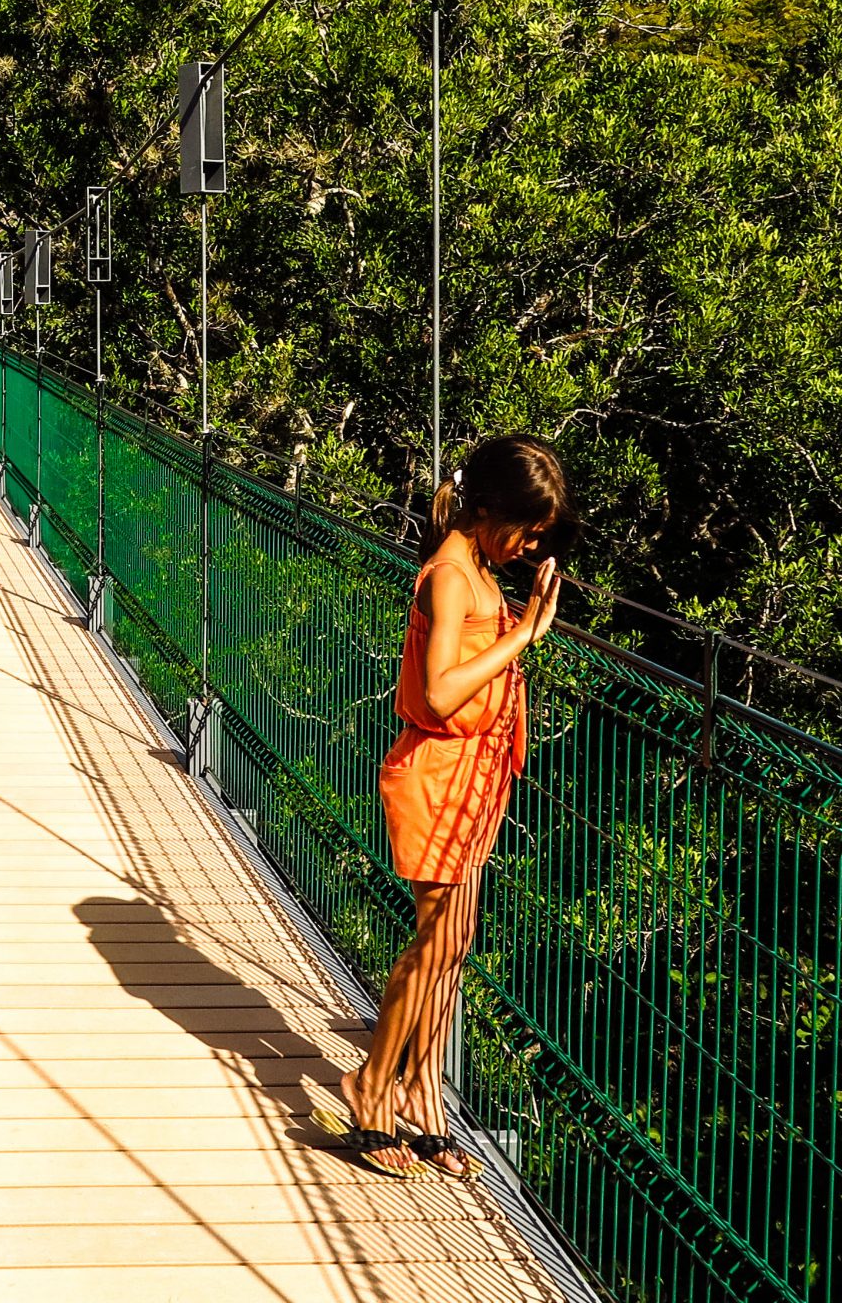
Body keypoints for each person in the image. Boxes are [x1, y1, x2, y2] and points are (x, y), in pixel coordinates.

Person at [315, 435, 575, 1180]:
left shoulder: (482, 573)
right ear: (487, 509)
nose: (529, 546)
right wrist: (526, 635)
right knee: (433, 944)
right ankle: (371, 1084)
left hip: (475, 779)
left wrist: (517, 618)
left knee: (454, 945)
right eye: (525, 529)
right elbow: (435, 695)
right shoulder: (452, 576)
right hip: (439, 777)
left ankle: (423, 1091)